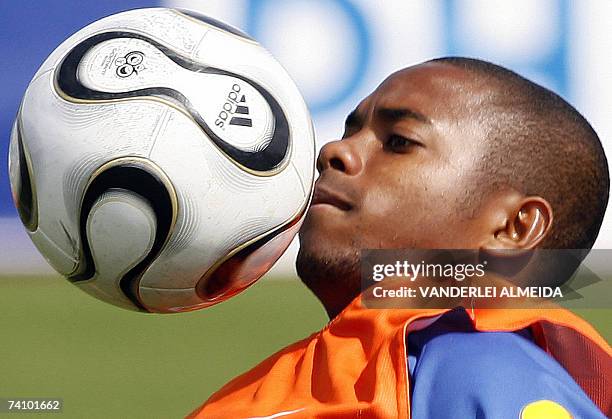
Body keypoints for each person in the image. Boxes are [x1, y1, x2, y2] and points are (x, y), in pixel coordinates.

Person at [188, 58, 611, 418]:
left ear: (513, 229)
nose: (335, 150)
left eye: (398, 142)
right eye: (349, 130)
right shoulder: (267, 388)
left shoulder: (487, 372)